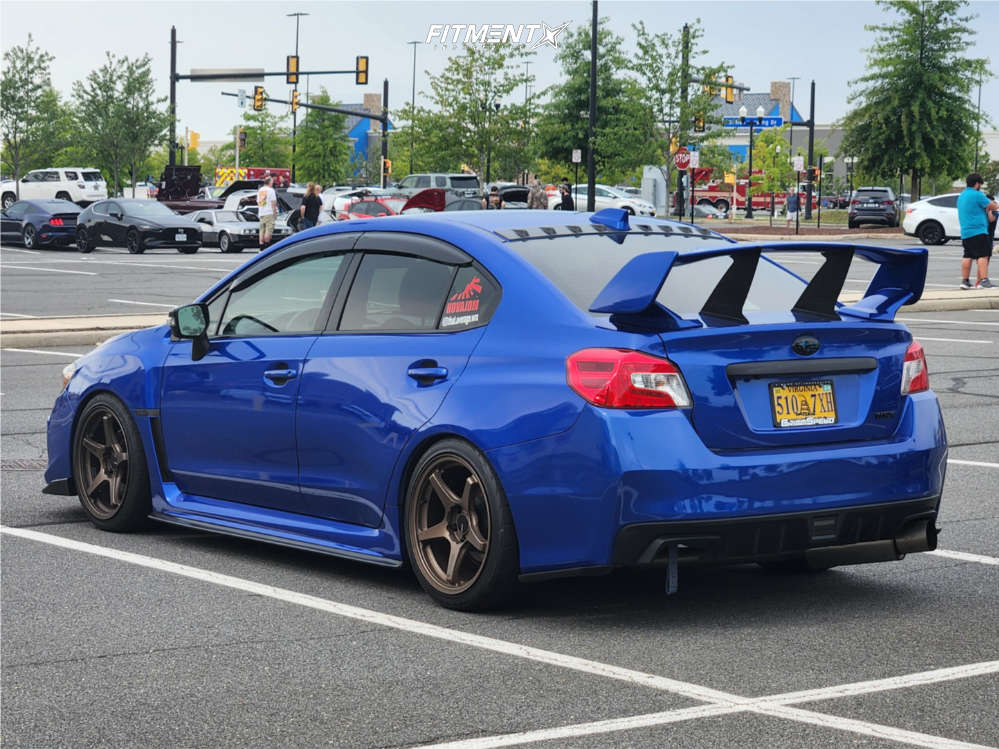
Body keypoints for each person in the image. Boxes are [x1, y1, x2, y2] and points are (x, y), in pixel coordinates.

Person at [956, 173, 999, 289]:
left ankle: (965, 281)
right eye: (980, 184)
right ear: (977, 183)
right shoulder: (977, 195)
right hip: (978, 230)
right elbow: (993, 206)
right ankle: (984, 281)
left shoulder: (962, 195)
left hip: (966, 231)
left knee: (967, 255)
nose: (980, 186)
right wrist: (994, 204)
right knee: (983, 255)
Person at [256, 176, 278, 250]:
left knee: (262, 230)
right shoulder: (271, 190)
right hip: (269, 212)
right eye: (272, 182)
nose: (273, 183)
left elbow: (258, 202)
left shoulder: (260, 190)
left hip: (261, 212)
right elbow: (273, 203)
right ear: (270, 182)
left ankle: (261, 246)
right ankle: (267, 246)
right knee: (268, 230)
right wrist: (275, 213)